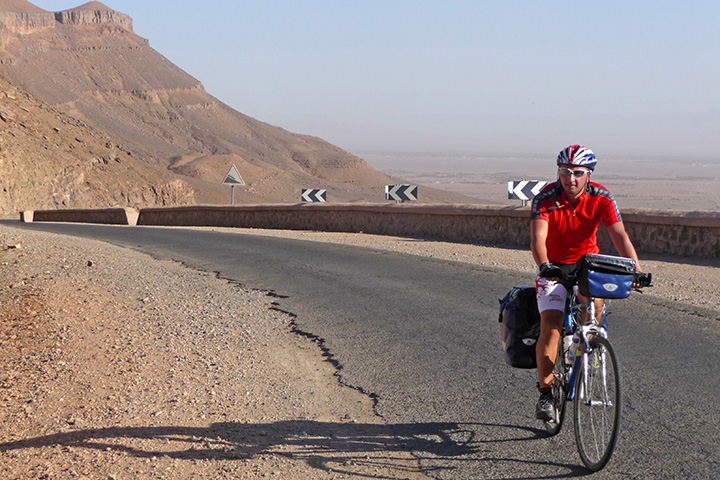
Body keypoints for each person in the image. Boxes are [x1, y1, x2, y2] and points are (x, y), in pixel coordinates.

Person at [530, 144, 643, 422]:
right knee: (552, 327)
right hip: (554, 267)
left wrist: (637, 270)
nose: (570, 179)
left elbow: (620, 236)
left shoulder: (602, 197)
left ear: (588, 174)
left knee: (592, 317)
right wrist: (545, 266)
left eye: (577, 173)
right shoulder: (546, 197)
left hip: (587, 266)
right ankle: (545, 395)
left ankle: (583, 349)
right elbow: (538, 239)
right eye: (565, 172)